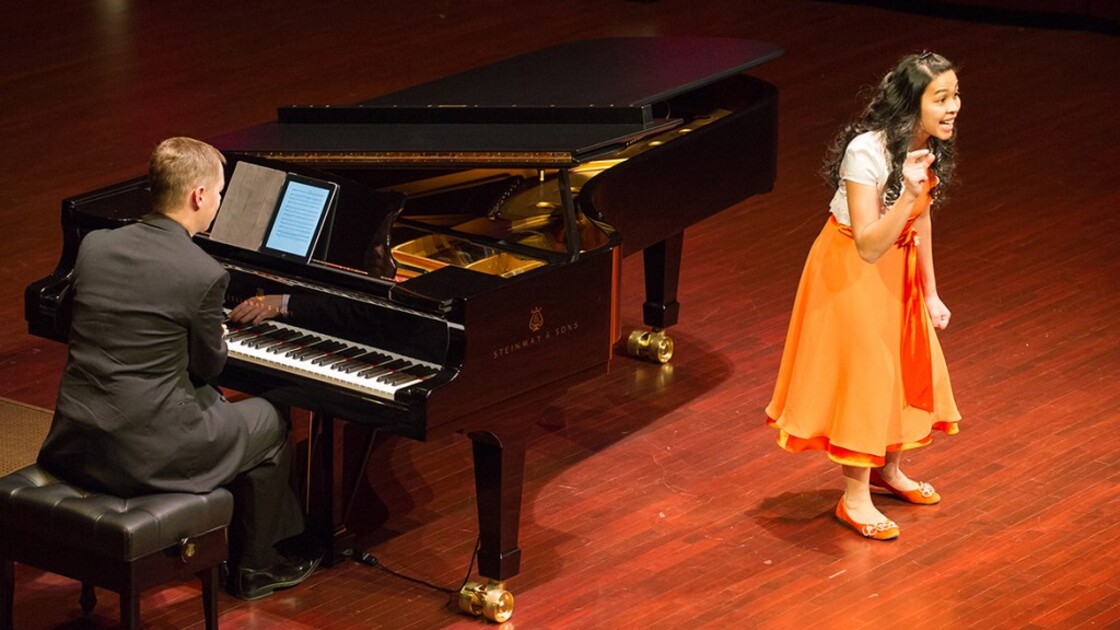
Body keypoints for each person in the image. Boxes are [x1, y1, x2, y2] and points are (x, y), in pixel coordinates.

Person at [37, 137, 319, 598]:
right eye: (221, 194)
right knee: (269, 420)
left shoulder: (97, 245)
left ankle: (227, 540)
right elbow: (210, 366)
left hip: (77, 439)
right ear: (199, 196)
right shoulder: (202, 272)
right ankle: (256, 567)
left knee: (218, 410)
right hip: (144, 454)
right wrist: (219, 338)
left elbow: (68, 321)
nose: (219, 204)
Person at [764, 52, 963, 540]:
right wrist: (907, 195)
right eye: (941, 98)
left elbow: (923, 221)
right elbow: (869, 243)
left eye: (955, 95)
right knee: (865, 377)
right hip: (852, 268)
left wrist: (931, 292)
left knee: (902, 364)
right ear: (910, 103)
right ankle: (853, 500)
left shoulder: (923, 145)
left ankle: (887, 471)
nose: (953, 106)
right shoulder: (866, 152)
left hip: (901, 265)